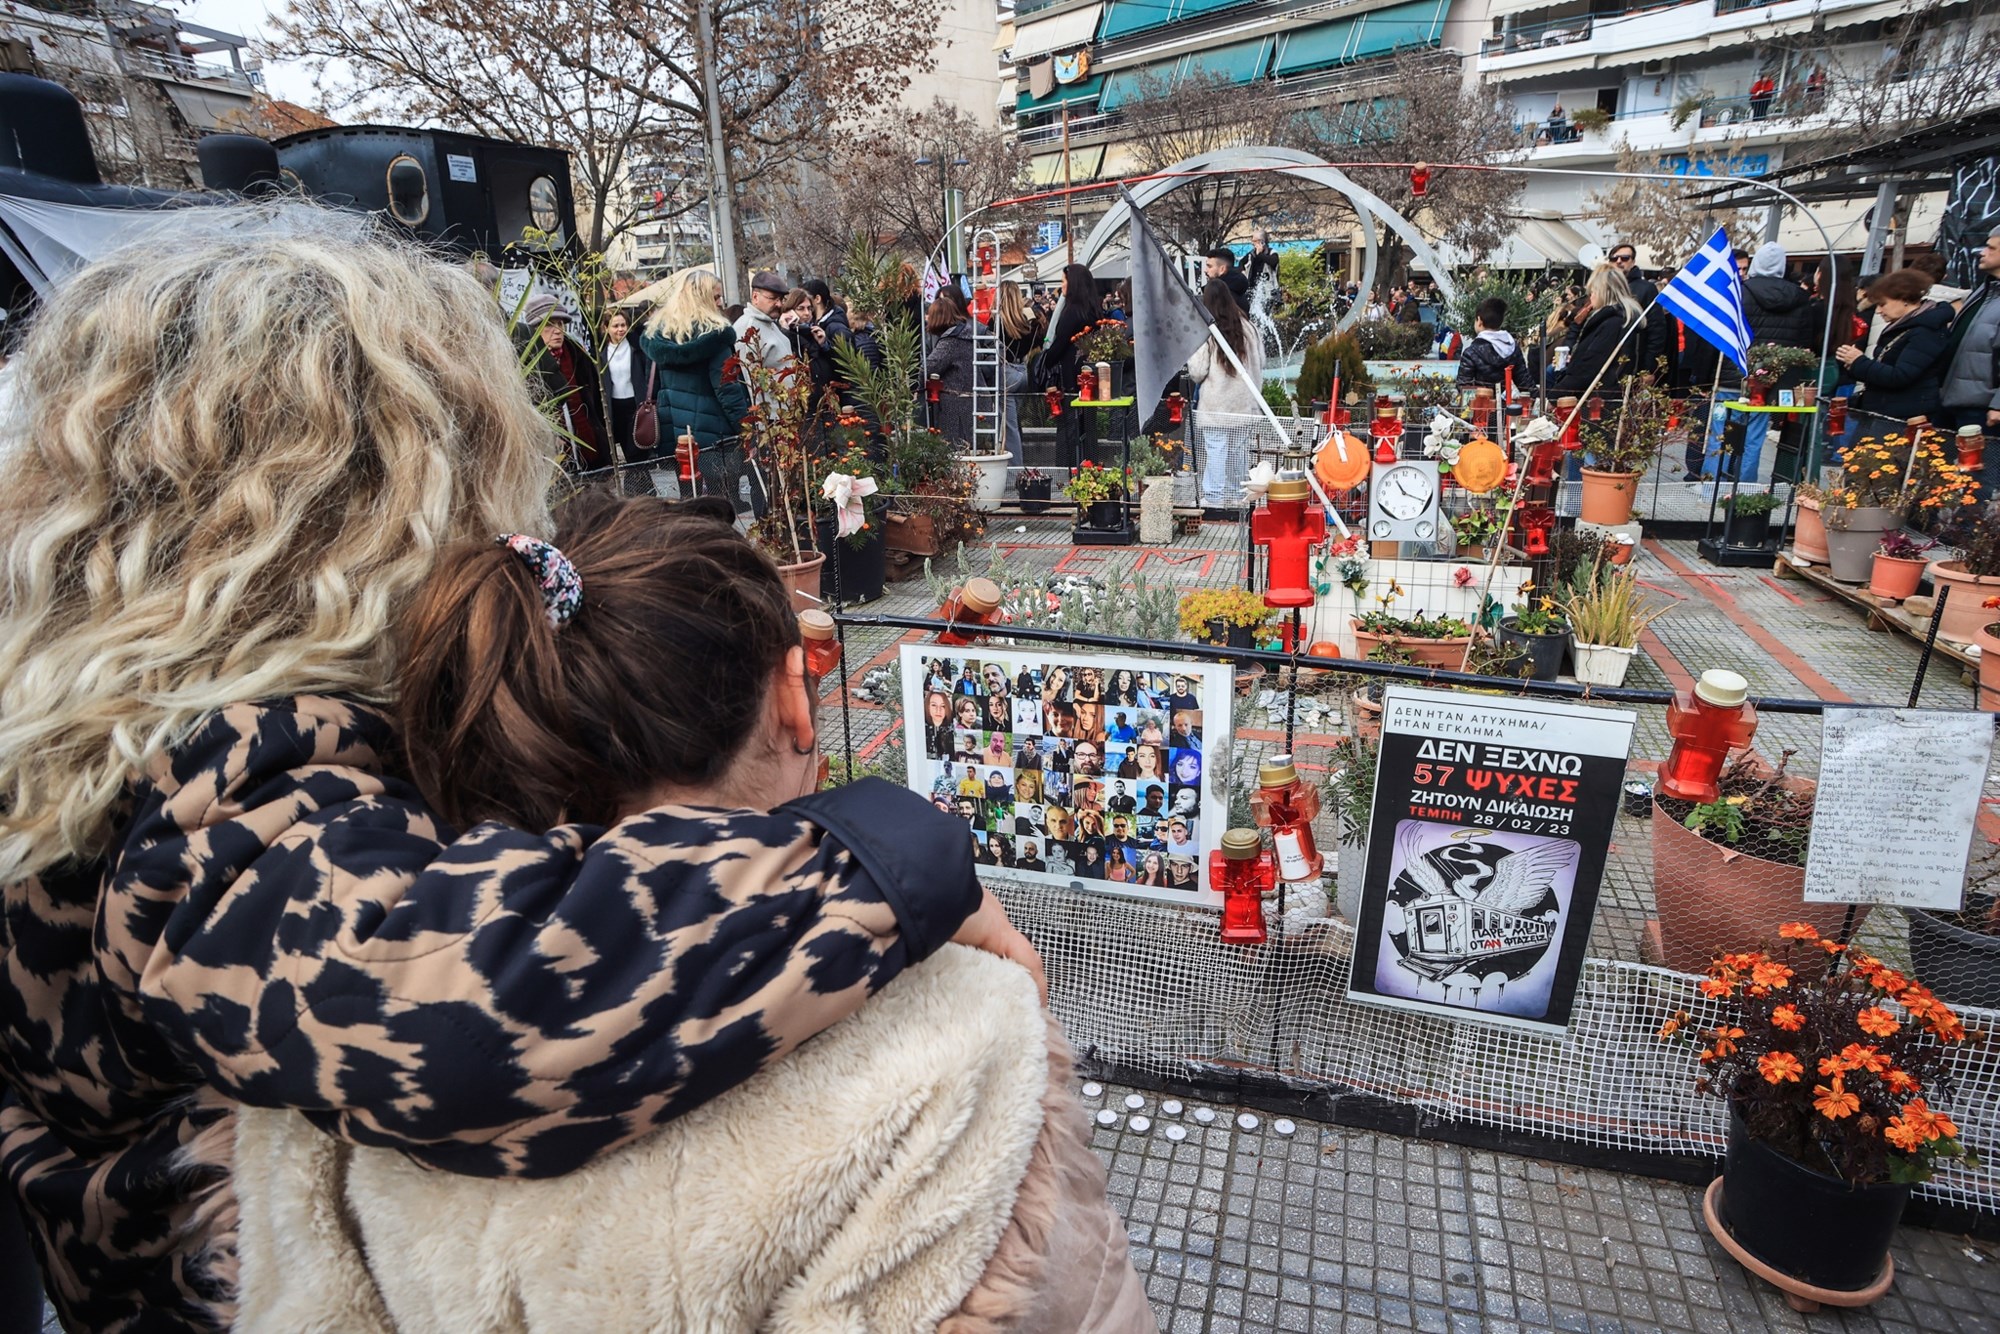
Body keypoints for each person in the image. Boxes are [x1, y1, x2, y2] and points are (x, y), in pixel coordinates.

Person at [0, 219, 1061, 1332]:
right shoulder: (215, 773)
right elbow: (463, 1016)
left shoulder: (107, 729)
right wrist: (881, 860)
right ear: (386, 490)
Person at [640, 267, 760, 514]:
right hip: (714, 435)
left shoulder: (661, 334)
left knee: (689, 504)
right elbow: (728, 390)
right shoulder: (715, 337)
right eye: (715, 297)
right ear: (702, 299)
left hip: (678, 435)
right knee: (721, 505)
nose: (721, 302)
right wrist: (747, 431)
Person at [1837, 269, 1953, 426]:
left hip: (1904, 415)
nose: (1879, 311)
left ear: (1904, 299)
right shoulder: (1905, 326)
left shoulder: (1925, 332)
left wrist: (1859, 361)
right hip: (1889, 409)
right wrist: (1853, 364)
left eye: (1882, 304)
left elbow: (1900, 376)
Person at [1186, 280, 1265, 506]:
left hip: (1216, 405)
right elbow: (1260, 363)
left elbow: (1197, 371)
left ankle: (1214, 497)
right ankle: (1237, 495)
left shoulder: (1208, 331)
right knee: (1239, 453)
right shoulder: (1249, 328)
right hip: (1244, 404)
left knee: (1216, 451)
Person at [1938, 234, 2000, 483]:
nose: (1982, 252)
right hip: (1953, 397)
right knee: (1943, 476)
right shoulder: (1984, 290)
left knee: (1978, 481)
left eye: (1991, 248)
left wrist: (1998, 404)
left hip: (1983, 406)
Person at [523, 293, 607, 473]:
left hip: (590, 447)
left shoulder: (578, 355)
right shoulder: (526, 362)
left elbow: (596, 402)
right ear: (534, 330)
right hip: (551, 456)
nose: (557, 330)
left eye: (560, 324)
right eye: (549, 325)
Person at [1552, 264, 1646, 396]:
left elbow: (1589, 367)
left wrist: (1554, 395)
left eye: (1593, 291)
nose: (1590, 296)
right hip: (1608, 393)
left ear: (1603, 293)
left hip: (1600, 398)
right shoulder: (1619, 318)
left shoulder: (1612, 323)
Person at [599, 308, 656, 483]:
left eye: (623, 325)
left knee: (635, 453)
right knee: (628, 452)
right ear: (606, 328)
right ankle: (644, 491)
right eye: (615, 326)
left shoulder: (636, 348)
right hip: (615, 407)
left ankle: (636, 491)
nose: (620, 329)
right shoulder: (601, 353)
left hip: (636, 405)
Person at [1608, 243, 1672, 377]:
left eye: (1625, 258)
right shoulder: (1603, 287)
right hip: (1603, 357)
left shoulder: (1646, 289)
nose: (1619, 261)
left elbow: (1656, 330)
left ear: (1633, 261)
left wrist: (1648, 369)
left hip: (1631, 362)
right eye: (1614, 258)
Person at [997, 281, 1043, 469]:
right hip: (1022, 371)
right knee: (1014, 422)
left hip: (1005, 373)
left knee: (1009, 427)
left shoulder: (997, 321)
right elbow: (1038, 341)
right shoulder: (1026, 321)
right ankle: (1017, 463)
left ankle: (1015, 469)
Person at [1742, 243, 1815, 348]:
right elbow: (1804, 340)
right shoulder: (1800, 296)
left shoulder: (1741, 292)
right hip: (1787, 356)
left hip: (1745, 356)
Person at [734, 269, 797, 390]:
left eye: (781, 299)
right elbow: (750, 382)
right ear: (755, 297)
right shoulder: (748, 329)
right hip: (769, 401)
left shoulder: (770, 324)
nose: (779, 304)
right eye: (773, 298)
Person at [1456, 297, 1531, 391]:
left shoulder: (1471, 353)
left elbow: (1464, 387)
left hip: (1480, 400)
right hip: (1506, 399)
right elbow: (1524, 382)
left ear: (1479, 321)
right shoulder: (1512, 347)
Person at [1202, 247, 1250, 311]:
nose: (1205, 270)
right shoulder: (1238, 291)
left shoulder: (1219, 297)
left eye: (1210, 266)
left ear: (1222, 269)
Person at [1239, 229, 1280, 304]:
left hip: (1269, 291)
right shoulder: (1252, 254)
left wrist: (1260, 254)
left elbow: (1273, 262)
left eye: (1255, 241)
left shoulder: (1272, 253)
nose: (1252, 243)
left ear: (1262, 242)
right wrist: (1242, 271)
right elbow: (1241, 262)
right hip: (1252, 290)